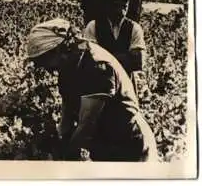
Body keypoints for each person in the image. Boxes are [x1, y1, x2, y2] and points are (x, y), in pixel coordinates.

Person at [26, 18, 158, 162]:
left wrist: (65, 160)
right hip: (105, 144)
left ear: (59, 50)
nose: (45, 68)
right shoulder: (67, 66)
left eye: (44, 61)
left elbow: (86, 125)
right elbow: (67, 116)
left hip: (130, 144)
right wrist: (60, 140)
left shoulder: (96, 66)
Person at [83, 0, 147, 77]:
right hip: (98, 79)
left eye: (125, 5)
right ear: (108, 6)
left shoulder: (134, 28)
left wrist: (105, 58)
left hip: (125, 79)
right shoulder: (93, 26)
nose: (122, 8)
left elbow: (138, 62)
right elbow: (89, 58)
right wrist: (125, 57)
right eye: (117, 4)